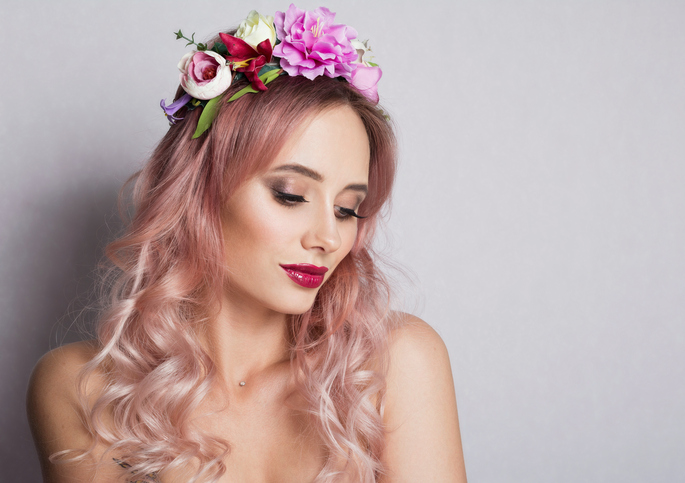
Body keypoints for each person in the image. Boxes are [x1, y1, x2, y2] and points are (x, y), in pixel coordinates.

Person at [26, 5, 466, 482]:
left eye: (346, 209)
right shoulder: (82, 388)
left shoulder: (394, 365)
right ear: (200, 191)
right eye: (290, 195)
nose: (329, 237)